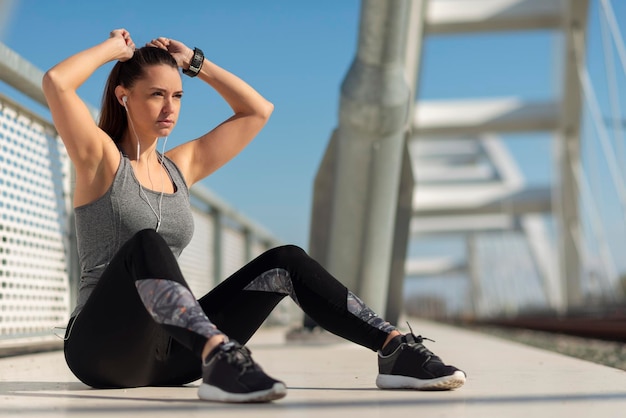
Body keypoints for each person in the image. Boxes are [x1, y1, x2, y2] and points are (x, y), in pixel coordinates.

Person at [42, 28, 466, 403]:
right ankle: (220, 357)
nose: (170, 107)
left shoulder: (180, 166)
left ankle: (393, 349)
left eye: (177, 96)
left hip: (171, 356)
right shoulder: (100, 159)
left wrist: (195, 62)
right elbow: (57, 83)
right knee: (146, 244)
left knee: (286, 260)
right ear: (124, 96)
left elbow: (257, 111)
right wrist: (113, 49)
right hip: (100, 350)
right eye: (156, 94)